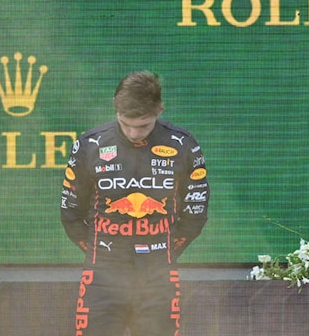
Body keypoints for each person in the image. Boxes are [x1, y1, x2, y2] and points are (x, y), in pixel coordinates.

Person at [61, 71, 209, 335]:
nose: (132, 132)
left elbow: (195, 213)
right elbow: (71, 214)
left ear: (159, 110)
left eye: (143, 125)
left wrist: (164, 251)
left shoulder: (183, 144)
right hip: (102, 276)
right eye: (125, 123)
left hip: (158, 277)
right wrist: (102, 250)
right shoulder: (89, 145)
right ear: (115, 110)